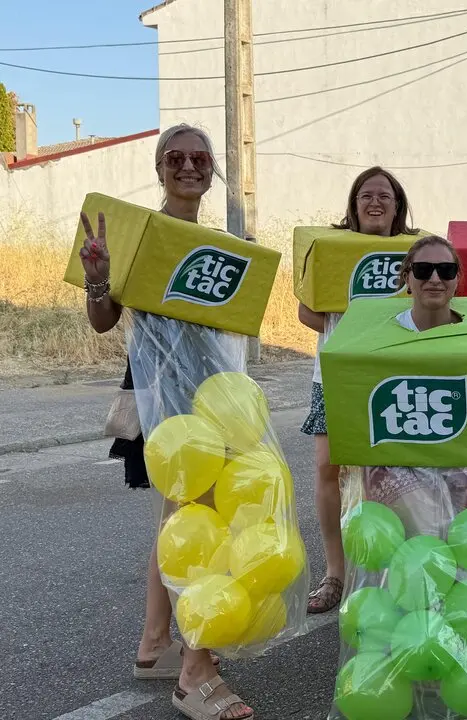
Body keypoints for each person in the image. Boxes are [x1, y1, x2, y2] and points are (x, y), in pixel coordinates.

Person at [81, 123, 252, 719]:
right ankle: (195, 675)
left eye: (200, 158)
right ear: (158, 168)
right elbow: (103, 320)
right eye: (174, 157)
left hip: (212, 397)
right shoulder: (135, 236)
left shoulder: (222, 246)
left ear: (212, 169)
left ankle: (155, 644)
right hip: (165, 405)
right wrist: (98, 278)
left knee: (176, 521)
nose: (188, 166)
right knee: (198, 526)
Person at [298, 167, 419, 613]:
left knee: (391, 473)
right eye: (366, 195)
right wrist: (349, 328)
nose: (375, 202)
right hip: (334, 374)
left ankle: (391, 568)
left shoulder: (414, 253)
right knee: (328, 469)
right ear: (353, 205)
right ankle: (335, 572)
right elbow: (306, 313)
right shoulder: (330, 250)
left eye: (384, 195)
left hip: (391, 376)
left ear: (397, 205)